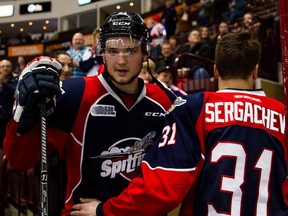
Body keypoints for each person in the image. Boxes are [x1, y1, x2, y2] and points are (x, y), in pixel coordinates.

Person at [71, 32, 288, 216]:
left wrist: (105, 210)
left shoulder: (193, 107)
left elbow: (163, 188)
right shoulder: (282, 114)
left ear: (215, 70)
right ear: (256, 70)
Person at [3, 12, 173, 216]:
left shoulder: (164, 100)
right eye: (112, 50)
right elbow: (19, 161)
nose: (121, 61)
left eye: (131, 50)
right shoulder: (76, 93)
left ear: (145, 53)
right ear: (101, 52)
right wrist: (23, 123)